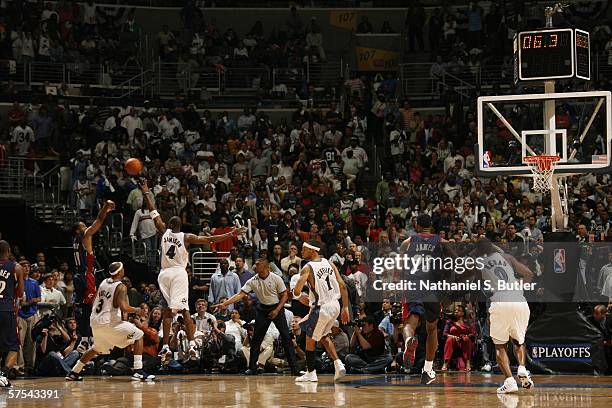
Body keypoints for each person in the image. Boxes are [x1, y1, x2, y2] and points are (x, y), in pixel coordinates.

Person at [140, 180, 244, 364]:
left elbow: (153, 209)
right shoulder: (186, 237)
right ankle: (192, 344)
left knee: (166, 311)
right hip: (178, 273)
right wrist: (230, 234)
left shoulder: (163, 231)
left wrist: (147, 191)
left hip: (163, 274)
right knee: (185, 310)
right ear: (181, 226)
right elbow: (210, 238)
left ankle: (165, 347)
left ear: (170, 225)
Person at [65, 262, 155, 382]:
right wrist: (137, 310)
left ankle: (74, 372)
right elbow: (124, 307)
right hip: (109, 322)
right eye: (122, 269)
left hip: (96, 322)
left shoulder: (103, 282)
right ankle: (138, 371)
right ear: (119, 272)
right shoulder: (121, 286)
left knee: (96, 348)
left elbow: (95, 300)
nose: (124, 271)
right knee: (139, 335)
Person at [214, 258, 299, 375]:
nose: (255, 266)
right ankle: (253, 368)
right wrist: (225, 304)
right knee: (256, 339)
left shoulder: (276, 278)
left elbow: (284, 295)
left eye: (258, 265)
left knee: (286, 338)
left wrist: (277, 310)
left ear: (265, 267)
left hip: (277, 308)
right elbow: (240, 294)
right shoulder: (253, 280)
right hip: (263, 309)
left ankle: (294, 369)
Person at [475, 238, 534, 393]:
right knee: (519, 340)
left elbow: (474, 284)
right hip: (519, 299)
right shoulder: (508, 257)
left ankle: (509, 381)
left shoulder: (479, 263)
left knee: (500, 345)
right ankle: (522, 368)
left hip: (500, 299)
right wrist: (518, 288)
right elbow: (529, 274)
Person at [292, 240, 350, 382]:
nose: (302, 251)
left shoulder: (307, 268)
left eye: (304, 249)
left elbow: (297, 290)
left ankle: (311, 373)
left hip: (321, 308)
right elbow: (342, 286)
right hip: (335, 306)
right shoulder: (329, 263)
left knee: (309, 341)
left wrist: (299, 296)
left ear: (313, 250)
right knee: (323, 336)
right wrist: (346, 307)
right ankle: (338, 364)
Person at [398, 214, 445, 384]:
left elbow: (401, 268)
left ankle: (409, 340)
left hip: (413, 284)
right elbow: (454, 260)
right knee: (432, 328)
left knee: (410, 323)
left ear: (417, 226)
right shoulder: (440, 241)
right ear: (431, 226)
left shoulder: (407, 242)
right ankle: (427, 369)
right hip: (432, 287)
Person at [72, 200, 116, 345]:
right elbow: (99, 220)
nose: (87, 228)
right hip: (86, 275)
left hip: (79, 275)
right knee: (92, 307)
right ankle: (90, 338)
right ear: (79, 231)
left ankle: (85, 339)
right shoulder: (85, 237)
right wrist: (106, 207)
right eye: (83, 226)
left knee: (85, 307)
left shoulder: (76, 241)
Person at [0, 241, 24, 387]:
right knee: (13, 346)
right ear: (9, 250)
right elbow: (20, 293)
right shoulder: (16, 267)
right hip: (6, 309)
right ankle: (3, 374)